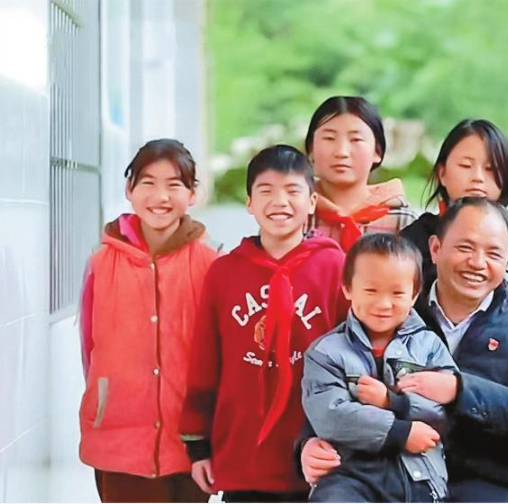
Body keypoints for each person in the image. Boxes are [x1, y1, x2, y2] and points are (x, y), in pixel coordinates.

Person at [302, 198, 508, 502]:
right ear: (436, 248)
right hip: (388, 477)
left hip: (491, 486)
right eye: (465, 247)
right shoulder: (393, 304)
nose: (478, 262)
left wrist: (459, 390)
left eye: (494, 253)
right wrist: (307, 445)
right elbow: (334, 381)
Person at [179, 145, 349, 502]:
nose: (279, 202)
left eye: (292, 191)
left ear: (312, 202)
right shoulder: (225, 272)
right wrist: (198, 445)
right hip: (243, 452)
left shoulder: (335, 268)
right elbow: (205, 360)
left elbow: (354, 354)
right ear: (249, 203)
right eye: (266, 191)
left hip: (316, 453)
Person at [79, 139, 217, 502]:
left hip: (190, 441)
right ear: (129, 189)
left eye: (174, 184)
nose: (161, 196)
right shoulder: (100, 261)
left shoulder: (211, 262)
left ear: (193, 193)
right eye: (148, 182)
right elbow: (89, 350)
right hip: (119, 439)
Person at [302, 233, 458, 502]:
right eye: (371, 291)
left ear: (414, 294)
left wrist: (393, 402)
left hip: (419, 473)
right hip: (348, 474)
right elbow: (330, 415)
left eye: (397, 293)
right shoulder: (326, 352)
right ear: (347, 288)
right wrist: (401, 432)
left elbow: (447, 412)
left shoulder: (429, 346)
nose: (384, 304)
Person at [400, 119, 508, 300]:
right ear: (442, 173)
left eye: (491, 168)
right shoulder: (413, 240)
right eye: (465, 165)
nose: (478, 177)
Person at [305, 96, 415, 251]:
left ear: (377, 151)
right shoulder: (294, 214)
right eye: (329, 138)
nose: (342, 152)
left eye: (356, 139)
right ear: (311, 149)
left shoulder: (404, 222)